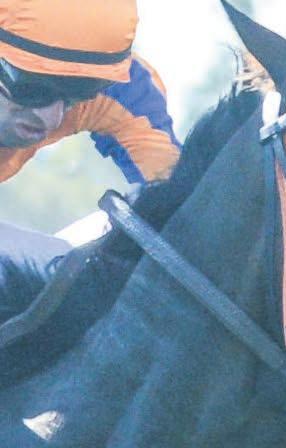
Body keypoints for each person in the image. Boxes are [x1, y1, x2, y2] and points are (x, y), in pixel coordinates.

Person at [0, 0, 176, 272]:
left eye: (81, 90)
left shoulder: (124, 89)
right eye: (32, 88)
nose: (52, 118)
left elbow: (178, 204)